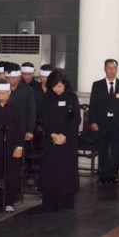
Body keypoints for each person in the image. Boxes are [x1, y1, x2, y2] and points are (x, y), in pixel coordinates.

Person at [40, 69, 81, 209]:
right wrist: (53, 134)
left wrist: (64, 135)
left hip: (67, 141)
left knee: (66, 170)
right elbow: (44, 118)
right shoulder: (47, 97)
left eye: (60, 86)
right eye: (54, 86)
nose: (57, 89)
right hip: (51, 140)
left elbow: (75, 119)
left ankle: (67, 200)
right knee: (50, 169)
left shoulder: (71, 97)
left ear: (65, 84)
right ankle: (50, 200)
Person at [0, 80, 25, 213]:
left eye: (3, 93)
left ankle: (9, 201)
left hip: (12, 146)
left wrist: (19, 147)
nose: (0, 96)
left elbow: (21, 128)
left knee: (12, 174)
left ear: (9, 92)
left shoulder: (16, 107)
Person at [88, 59, 119, 184]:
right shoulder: (97, 85)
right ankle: (104, 174)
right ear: (105, 69)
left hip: (117, 124)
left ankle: (113, 174)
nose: (112, 70)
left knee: (116, 151)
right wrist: (93, 122)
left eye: (114, 68)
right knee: (102, 149)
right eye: (109, 68)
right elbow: (93, 105)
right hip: (102, 123)